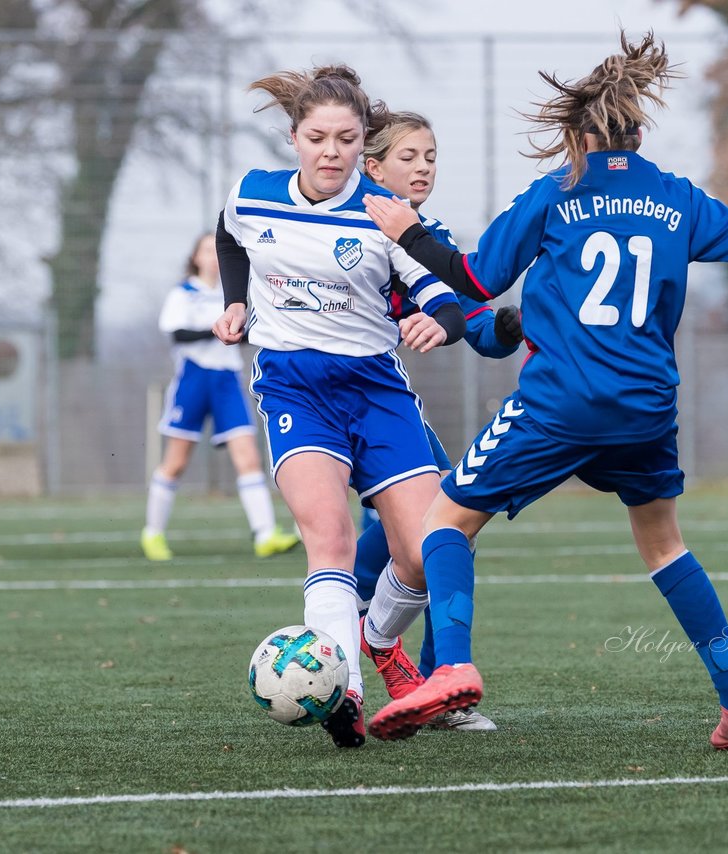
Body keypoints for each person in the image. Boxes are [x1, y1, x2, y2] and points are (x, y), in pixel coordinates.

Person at [361, 32, 728, 747]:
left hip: (562, 400)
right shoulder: (674, 195)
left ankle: (454, 670)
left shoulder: (555, 193)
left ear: (577, 133)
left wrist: (409, 231)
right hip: (647, 405)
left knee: (445, 523)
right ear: (639, 130)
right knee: (665, 546)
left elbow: (474, 280)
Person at [213, 64, 468, 748]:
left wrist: (441, 321)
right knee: (329, 537)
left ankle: (372, 636)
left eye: (347, 139)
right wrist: (234, 301)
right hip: (295, 390)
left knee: (425, 551)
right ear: (294, 137)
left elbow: (445, 292)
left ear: (363, 143)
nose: (332, 151)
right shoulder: (253, 194)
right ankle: (345, 693)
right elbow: (229, 235)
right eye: (318, 137)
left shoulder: (384, 213)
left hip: (377, 392)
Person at [353, 107, 525, 732]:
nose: (424, 167)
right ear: (371, 167)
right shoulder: (335, 218)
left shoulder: (429, 234)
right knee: (441, 521)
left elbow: (473, 321)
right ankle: (362, 640)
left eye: (430, 157)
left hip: (381, 403)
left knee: (440, 525)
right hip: (316, 399)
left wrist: (506, 327)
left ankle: (426, 683)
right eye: (409, 157)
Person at [141, 233, 302, 562]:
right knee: (175, 463)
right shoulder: (184, 293)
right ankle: (153, 533)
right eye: (205, 251)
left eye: (217, 252)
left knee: (248, 459)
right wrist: (217, 328)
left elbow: (246, 332)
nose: (213, 258)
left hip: (227, 382)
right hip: (194, 380)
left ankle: (265, 534)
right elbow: (177, 332)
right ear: (195, 258)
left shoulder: (234, 297)